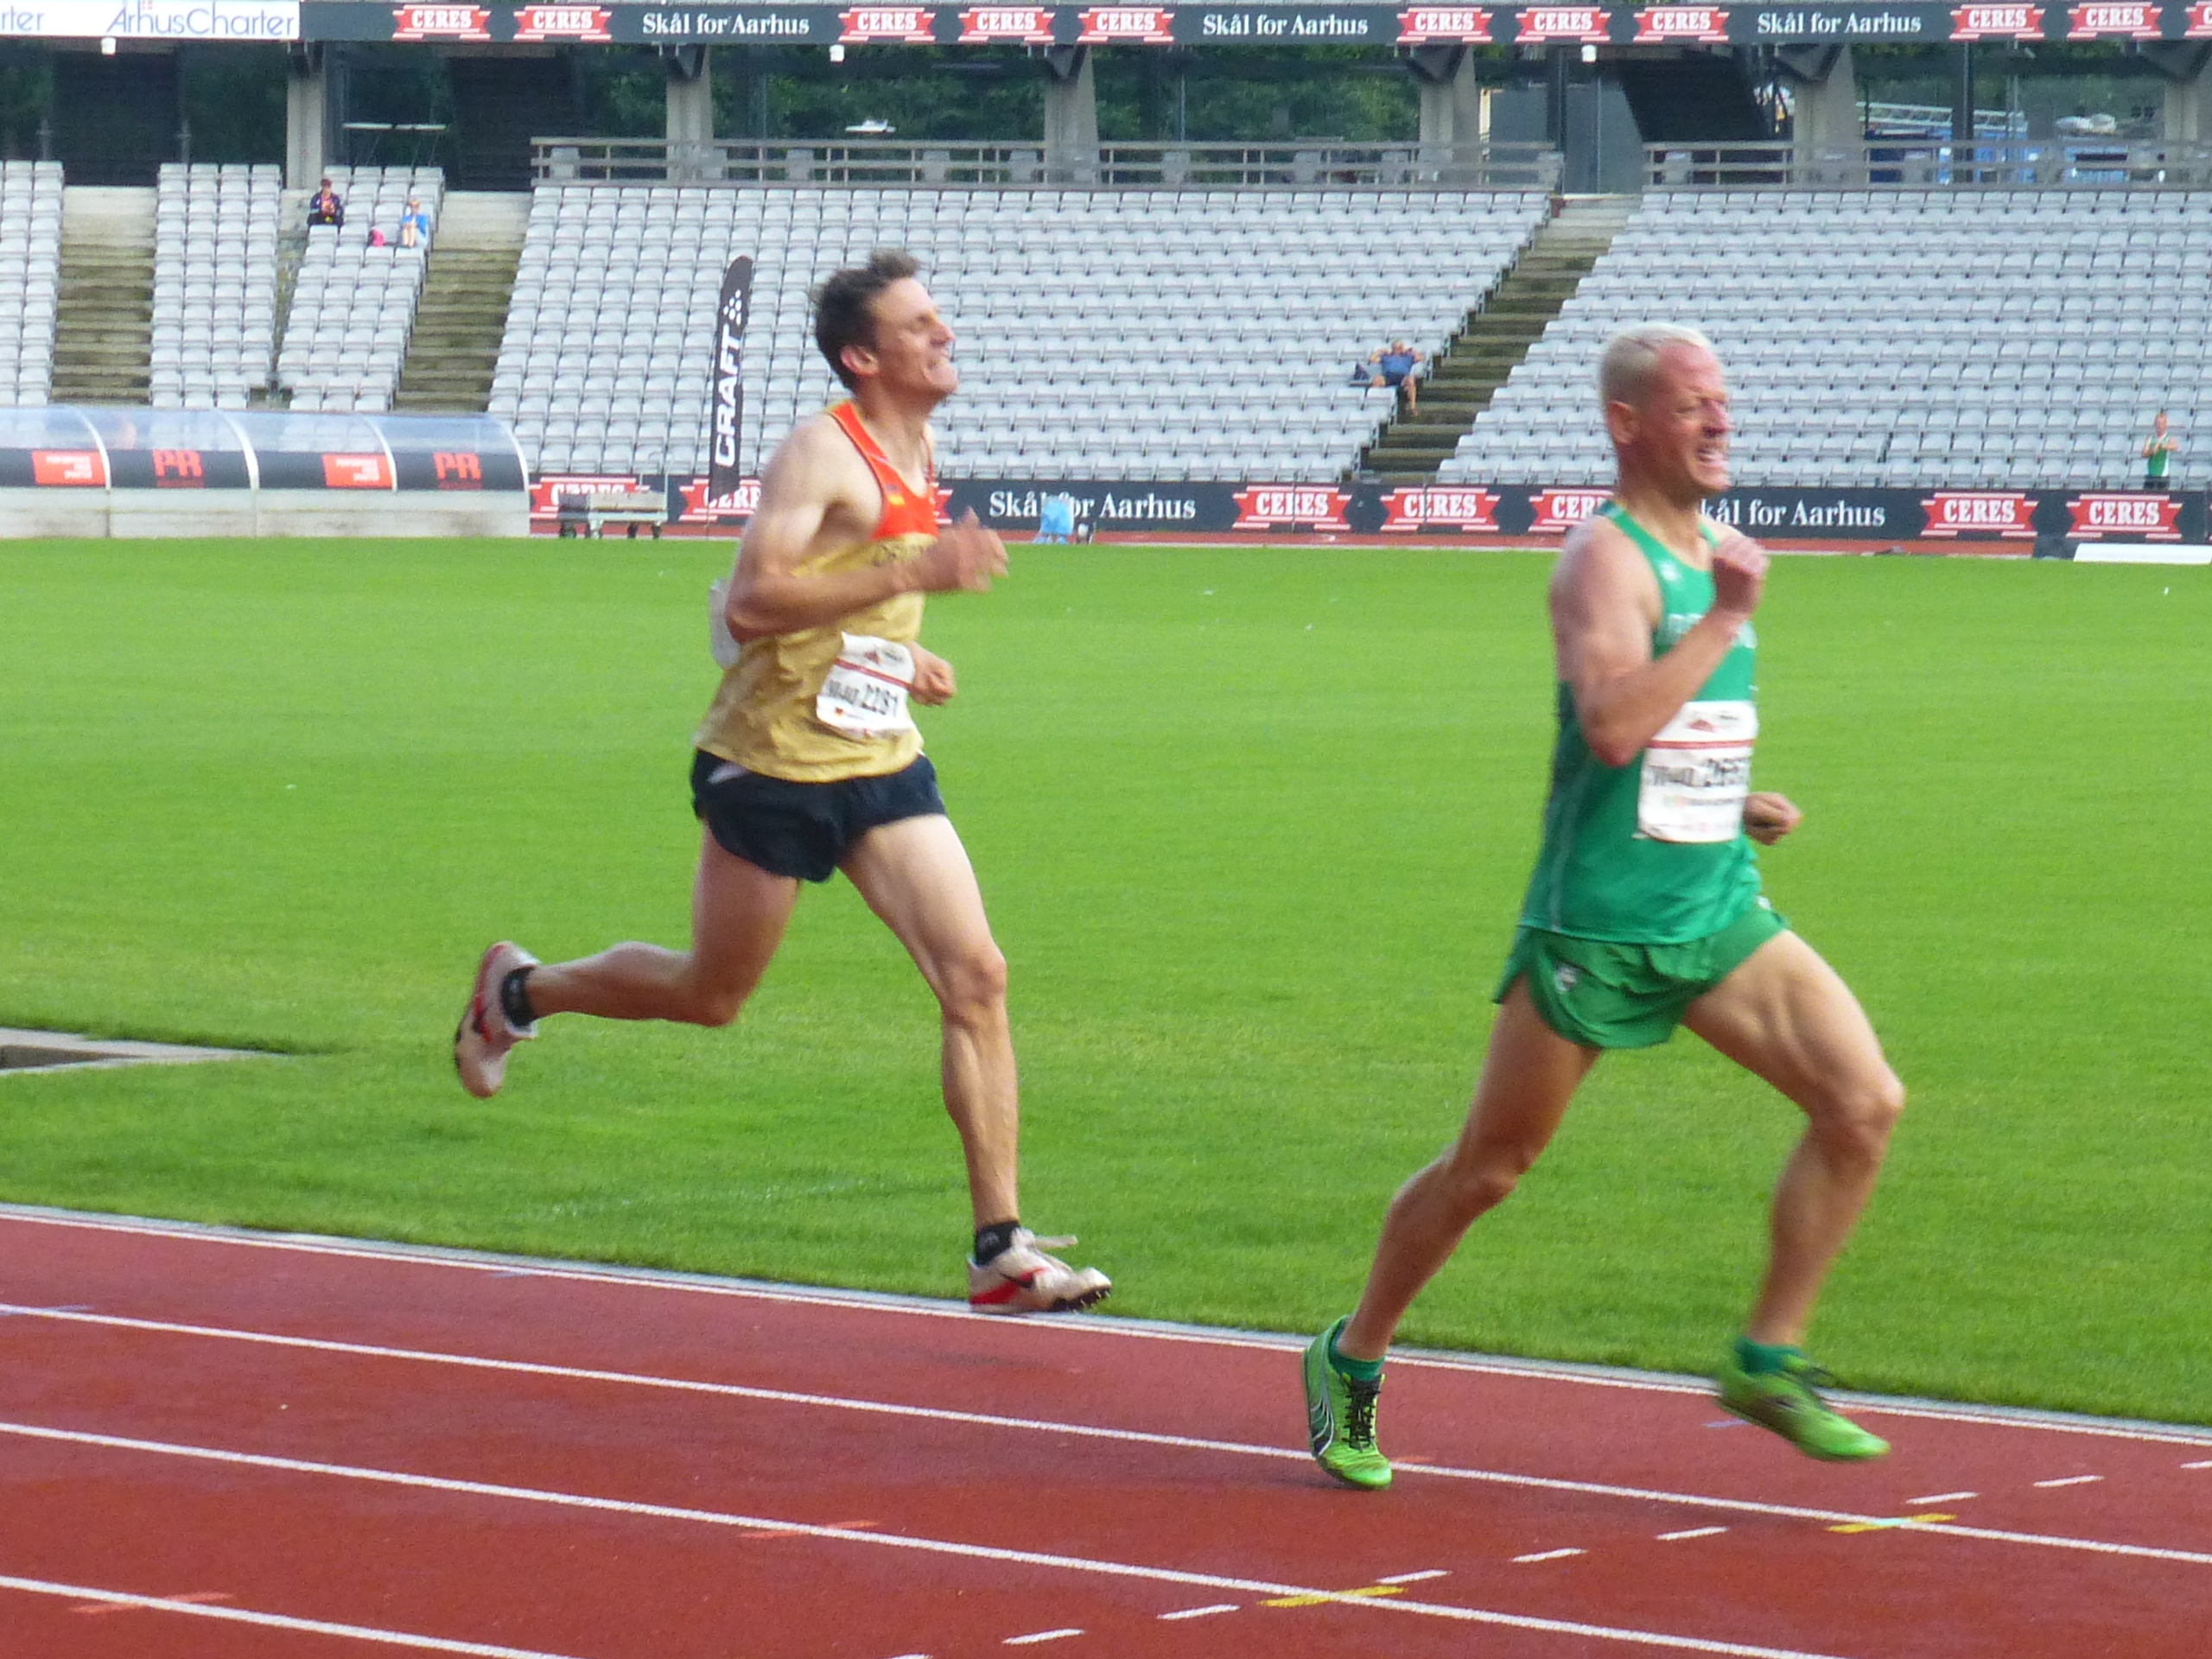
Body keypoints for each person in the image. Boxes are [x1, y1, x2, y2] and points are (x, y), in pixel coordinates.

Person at [1302, 322, 1905, 1491]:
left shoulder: (1718, 551)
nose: (1720, 420)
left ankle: (1766, 1359)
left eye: (1721, 400)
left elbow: (1671, 735)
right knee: (1488, 1170)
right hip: (1597, 923)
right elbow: (1613, 725)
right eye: (1692, 404)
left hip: (1714, 908)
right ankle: (1353, 1351)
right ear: (1628, 423)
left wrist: (1732, 801)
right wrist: (1724, 619)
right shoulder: (1605, 560)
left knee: (1863, 1102)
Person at [453, 250, 1110, 1318]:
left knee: (977, 978)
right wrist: (919, 573)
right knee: (710, 996)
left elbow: (844, 595)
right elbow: (755, 602)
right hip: (770, 765)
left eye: (939, 318)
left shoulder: (918, 443)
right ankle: (519, 993)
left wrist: (901, 654)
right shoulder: (820, 452)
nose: (944, 334)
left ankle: (1000, 1246)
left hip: (878, 755)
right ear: (863, 358)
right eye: (919, 325)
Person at [1369, 339, 1425, 414]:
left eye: (1399, 348)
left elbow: (1420, 358)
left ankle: (1412, 407)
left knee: (1411, 379)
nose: (1398, 350)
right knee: (1377, 380)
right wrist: (1380, 351)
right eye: (1396, 348)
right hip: (1388, 377)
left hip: (1402, 377)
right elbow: (1371, 359)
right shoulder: (1386, 356)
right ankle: (1374, 404)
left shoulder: (1408, 357)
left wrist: (1412, 350)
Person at [2141, 410, 2178, 492]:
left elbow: (2175, 446)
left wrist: (2161, 445)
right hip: (2151, 476)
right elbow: (2144, 453)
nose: (2159, 426)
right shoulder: (2150, 439)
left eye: (2161, 423)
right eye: (2158, 423)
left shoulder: (2169, 438)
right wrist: (2151, 451)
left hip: (2162, 477)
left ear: (2165, 425)